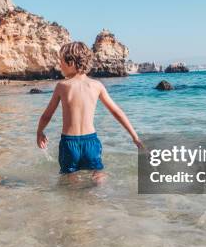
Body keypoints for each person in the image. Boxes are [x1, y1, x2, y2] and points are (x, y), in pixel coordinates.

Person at [36, 41, 142, 181]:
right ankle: (99, 198)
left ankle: (75, 201)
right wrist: (135, 137)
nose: (59, 65)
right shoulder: (96, 85)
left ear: (71, 62)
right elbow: (117, 112)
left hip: (69, 143)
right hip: (91, 141)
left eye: (61, 61)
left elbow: (46, 115)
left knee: (70, 178)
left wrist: (40, 132)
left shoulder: (62, 86)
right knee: (97, 172)